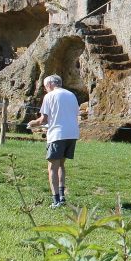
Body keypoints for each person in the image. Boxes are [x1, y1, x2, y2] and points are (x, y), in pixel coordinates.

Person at [27, 75, 80, 208]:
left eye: (45, 87)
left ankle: (56, 200)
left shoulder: (50, 96)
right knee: (61, 164)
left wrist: (32, 124)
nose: (45, 90)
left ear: (50, 84)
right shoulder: (71, 95)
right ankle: (62, 196)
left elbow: (43, 120)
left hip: (57, 134)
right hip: (72, 134)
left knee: (52, 167)